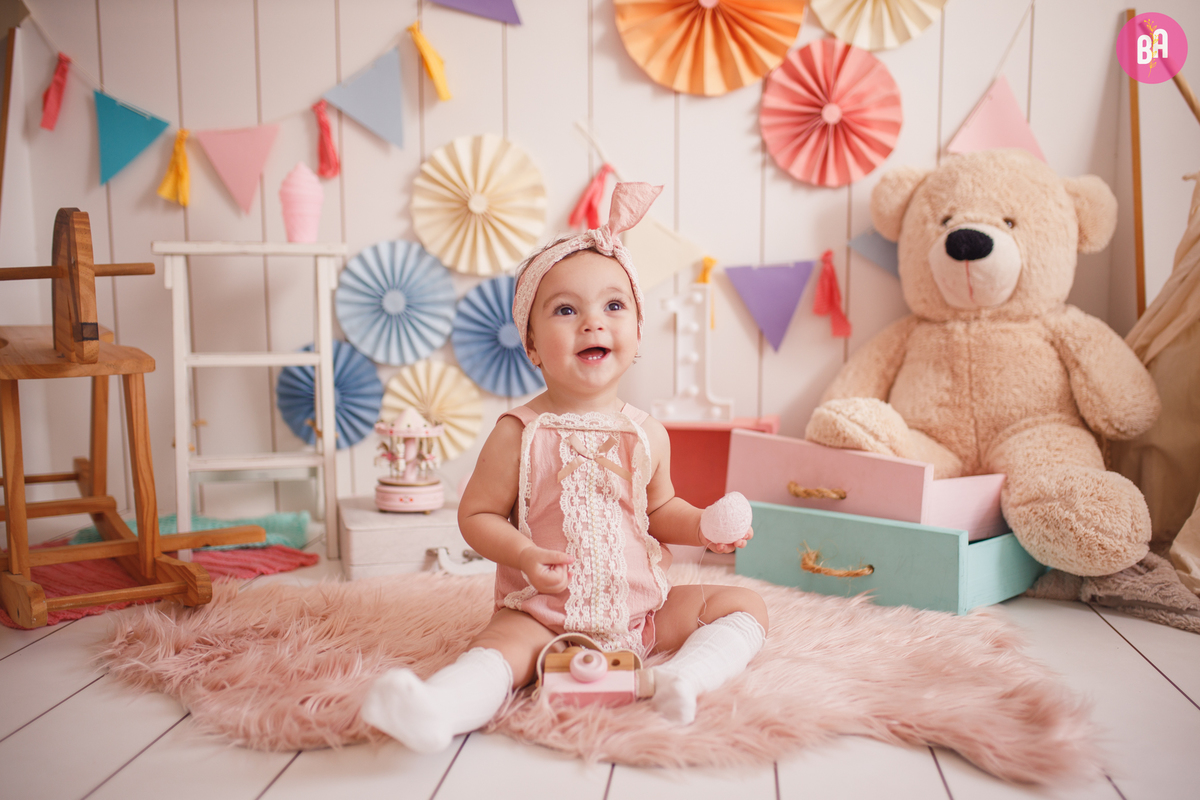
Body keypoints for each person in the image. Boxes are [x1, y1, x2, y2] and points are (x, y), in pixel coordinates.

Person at [361, 183, 769, 753]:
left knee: (743, 604)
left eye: (613, 306)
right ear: (531, 345)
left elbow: (660, 511)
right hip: (544, 612)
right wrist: (525, 555)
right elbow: (476, 515)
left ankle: (682, 678)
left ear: (636, 332)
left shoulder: (645, 432)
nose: (592, 323)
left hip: (641, 614)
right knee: (502, 646)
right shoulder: (519, 432)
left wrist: (701, 526)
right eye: (566, 310)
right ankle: (439, 708)